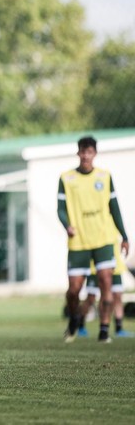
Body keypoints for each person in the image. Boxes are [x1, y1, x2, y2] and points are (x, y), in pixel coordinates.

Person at [58, 135, 129, 343]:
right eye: (82, 152)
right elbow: (60, 209)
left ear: (94, 154)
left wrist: (124, 235)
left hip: (103, 239)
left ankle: (104, 329)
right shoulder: (67, 178)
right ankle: (74, 318)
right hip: (79, 241)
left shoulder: (105, 177)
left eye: (89, 152)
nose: (85, 156)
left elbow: (114, 208)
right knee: (74, 290)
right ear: (78, 152)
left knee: (106, 281)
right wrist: (67, 225)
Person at [76, 241, 133, 338]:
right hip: (96, 267)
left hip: (115, 267)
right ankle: (80, 325)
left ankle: (118, 329)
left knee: (118, 296)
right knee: (91, 298)